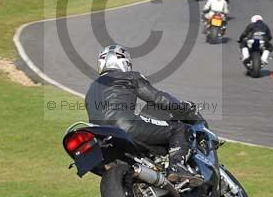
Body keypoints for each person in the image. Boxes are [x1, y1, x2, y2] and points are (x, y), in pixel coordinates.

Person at [84, 45, 201, 185]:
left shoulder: (91, 88)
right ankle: (177, 167)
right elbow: (158, 98)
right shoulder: (130, 76)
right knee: (181, 129)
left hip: (101, 137)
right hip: (125, 125)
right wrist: (183, 107)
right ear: (125, 62)